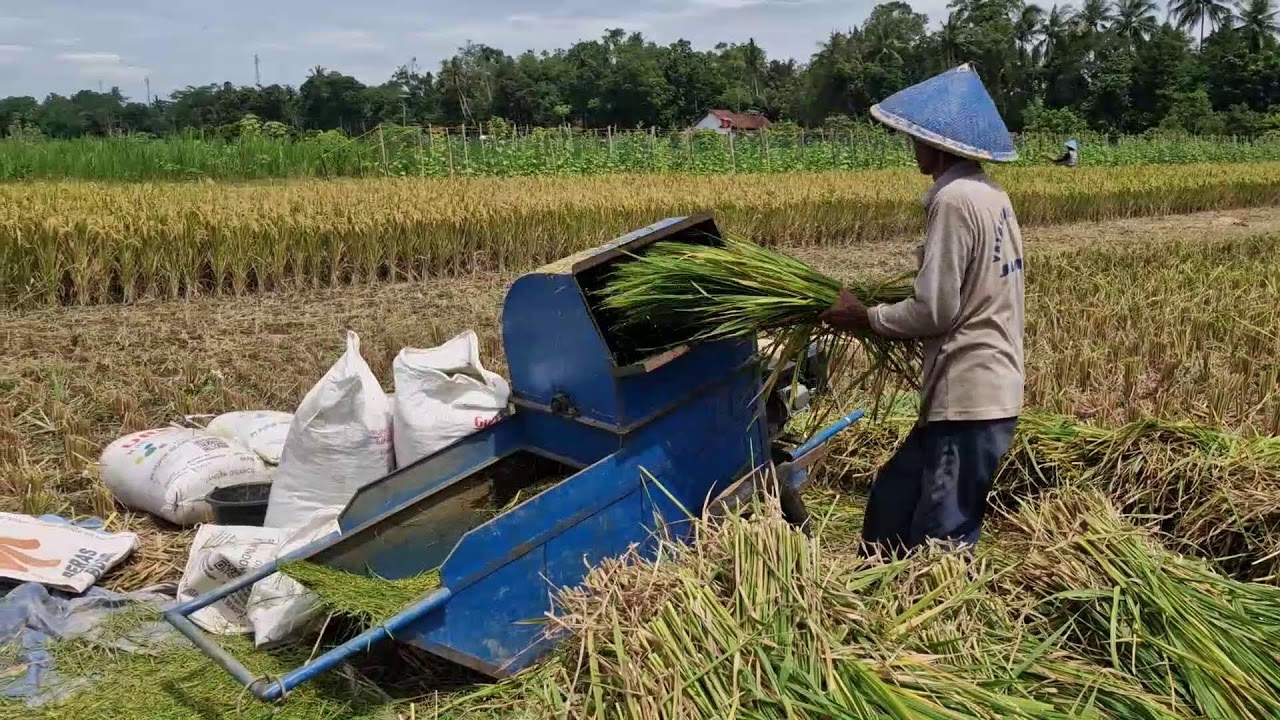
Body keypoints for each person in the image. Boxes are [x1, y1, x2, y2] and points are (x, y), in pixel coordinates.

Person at [818, 64, 1025, 556]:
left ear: (938, 143)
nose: (912, 146)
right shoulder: (991, 194)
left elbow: (935, 310)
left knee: (941, 538)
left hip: (968, 394)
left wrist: (866, 318)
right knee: (892, 504)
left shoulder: (952, 200)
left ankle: (937, 603)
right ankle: (876, 592)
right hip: (982, 391)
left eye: (917, 137)